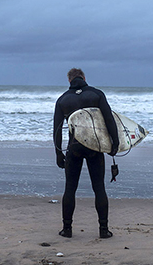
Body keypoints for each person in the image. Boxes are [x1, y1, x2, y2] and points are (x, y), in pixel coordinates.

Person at [53, 68, 119, 239]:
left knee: (70, 188)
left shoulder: (63, 99)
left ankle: (67, 229)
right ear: (83, 78)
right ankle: (103, 230)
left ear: (69, 81)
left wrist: (58, 153)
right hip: (95, 147)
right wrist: (115, 142)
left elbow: (57, 130)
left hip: (74, 147)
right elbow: (109, 119)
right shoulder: (97, 94)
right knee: (99, 188)